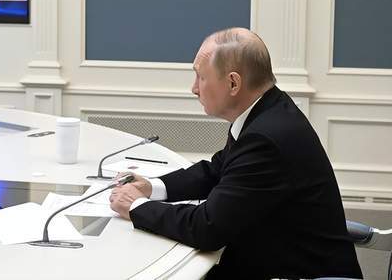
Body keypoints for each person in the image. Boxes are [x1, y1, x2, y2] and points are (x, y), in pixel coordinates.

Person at [109, 28, 362, 279]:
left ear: (233, 83)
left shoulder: (266, 138)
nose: (194, 88)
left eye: (201, 77)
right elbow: (217, 170)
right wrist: (152, 187)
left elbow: (207, 228)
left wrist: (137, 206)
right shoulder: (268, 110)